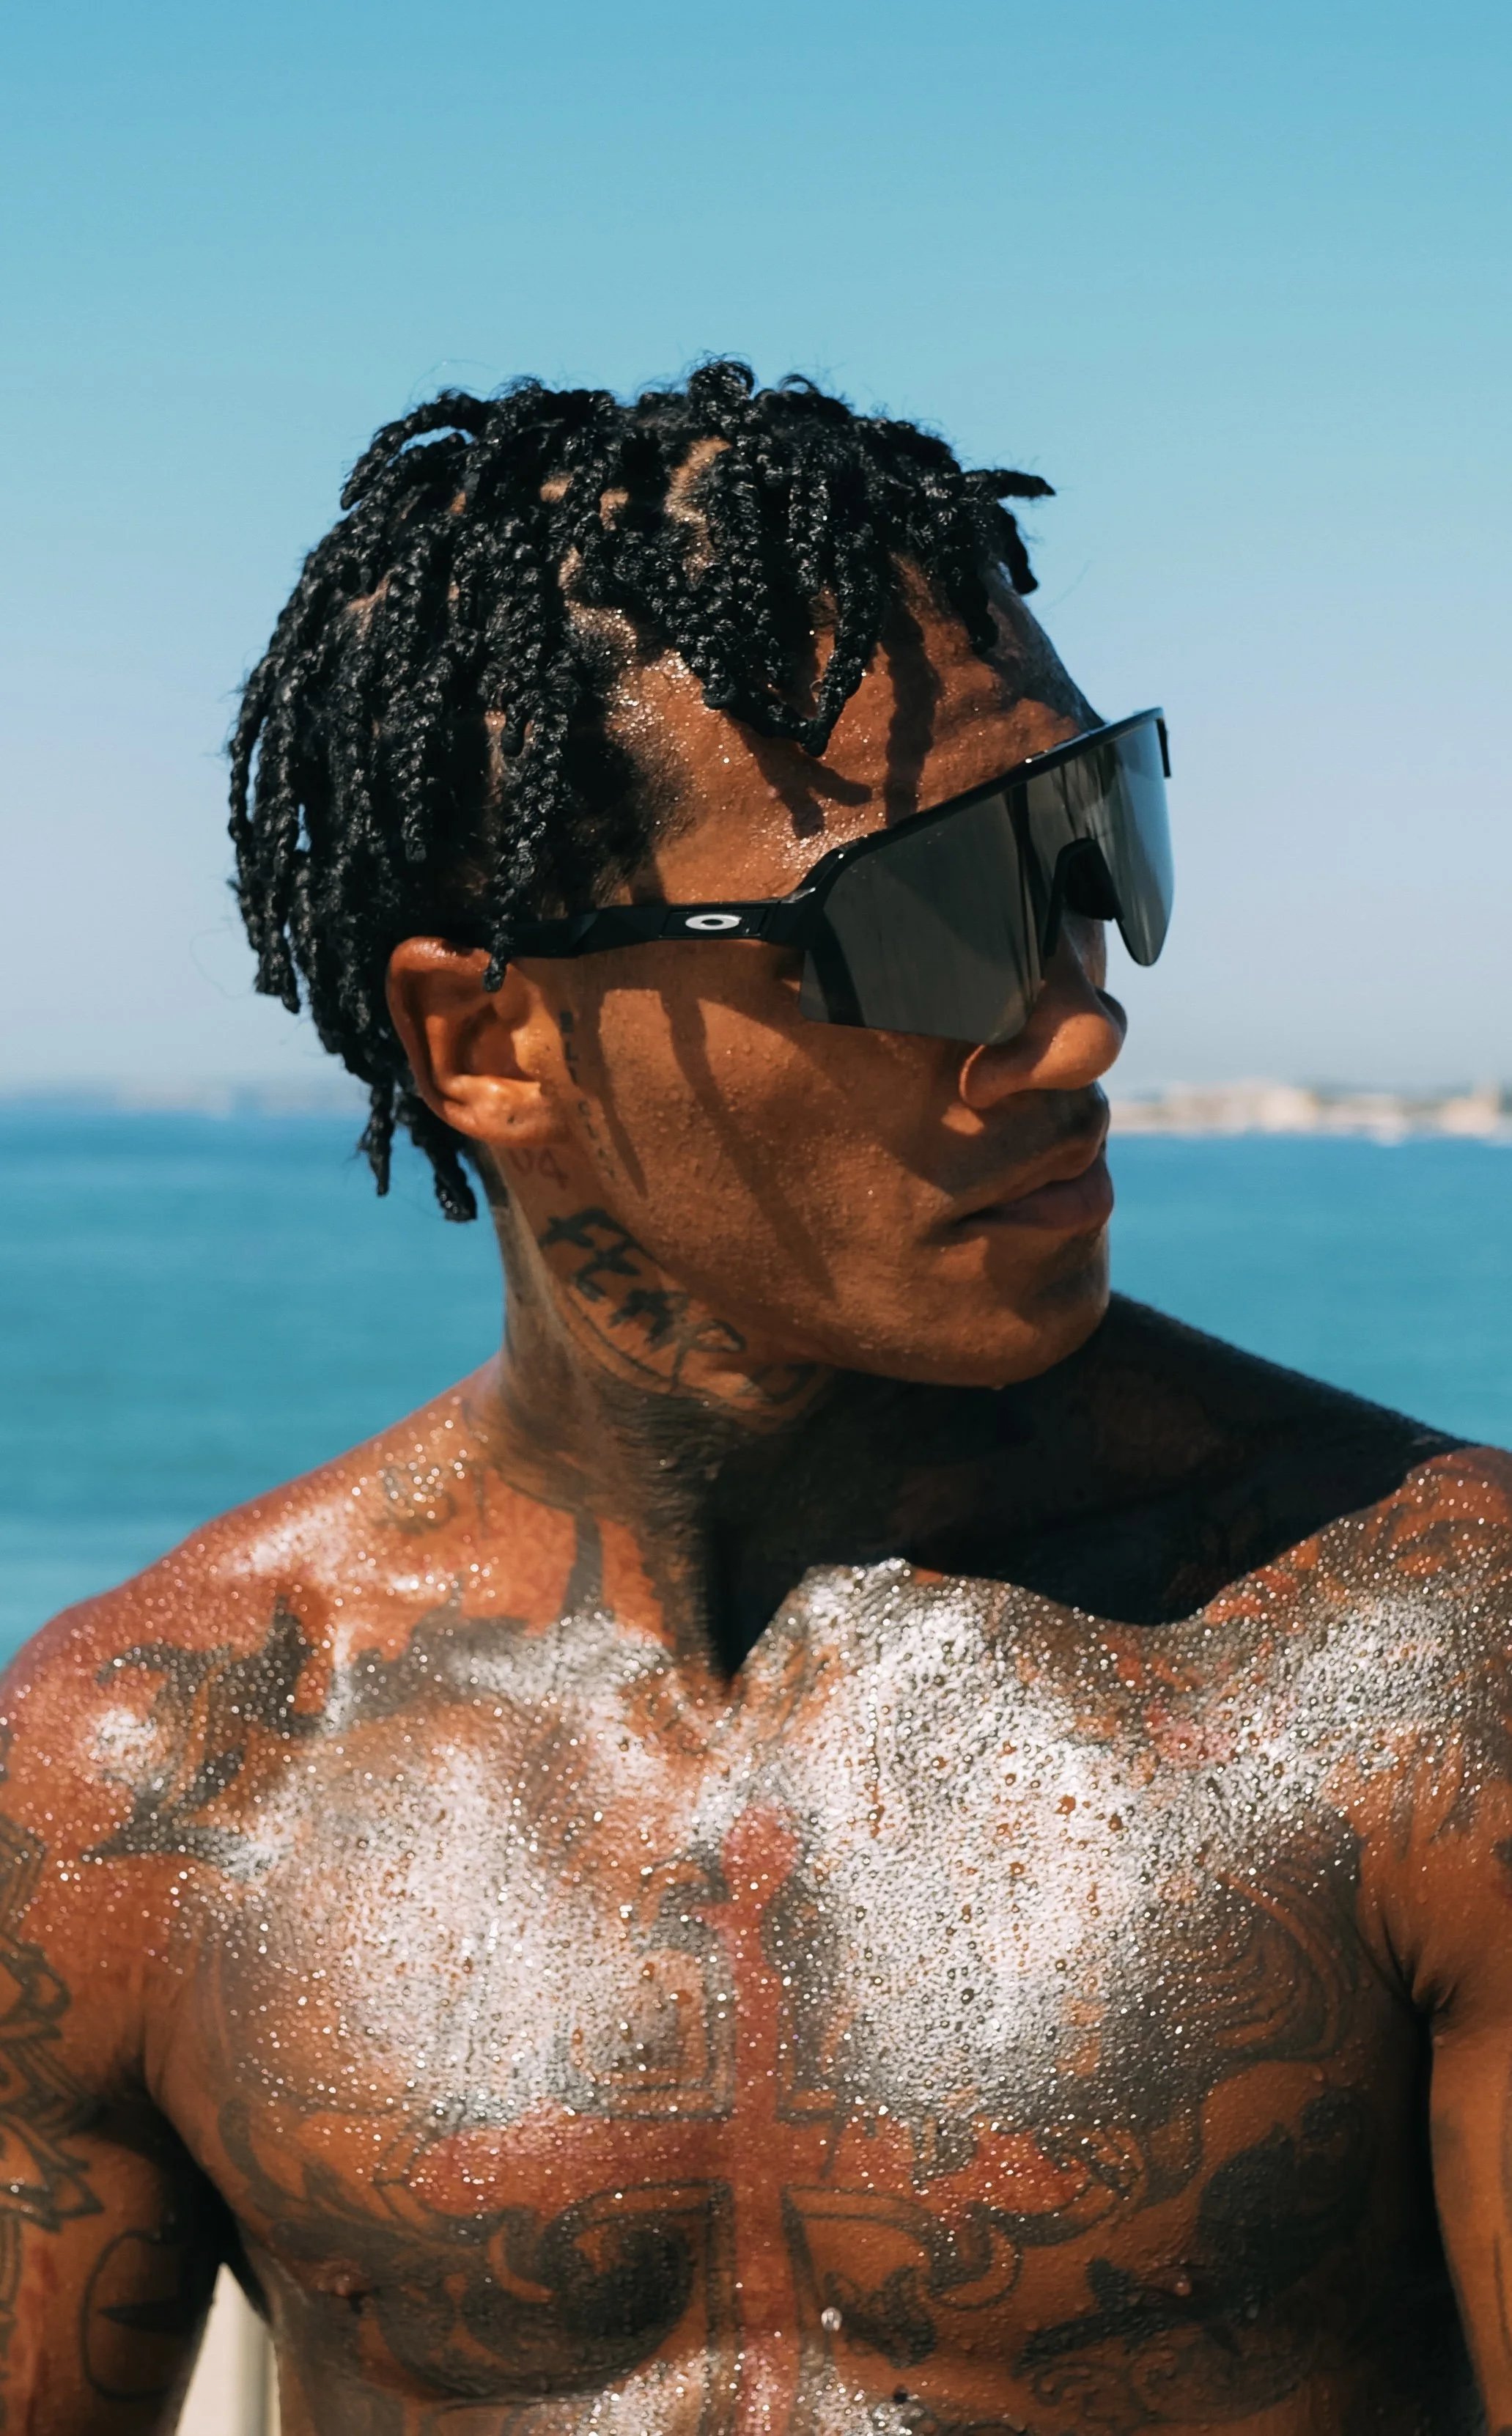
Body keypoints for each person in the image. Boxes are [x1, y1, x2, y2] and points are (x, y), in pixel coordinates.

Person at [4, 361, 1508, 2436]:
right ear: (488, 1043)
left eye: (1085, 848)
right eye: (923, 917)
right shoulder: (143, 1780)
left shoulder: (1429, 1673)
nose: (1076, 1020)